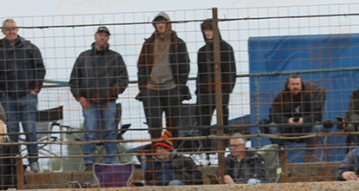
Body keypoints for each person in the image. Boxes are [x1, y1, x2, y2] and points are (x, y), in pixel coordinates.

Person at [69, 26, 129, 169]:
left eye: (105, 35)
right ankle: (89, 161)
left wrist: (111, 94)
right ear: (95, 36)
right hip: (89, 101)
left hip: (108, 101)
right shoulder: (83, 57)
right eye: (100, 34)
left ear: (108, 38)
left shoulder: (115, 57)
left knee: (110, 130)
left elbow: (123, 79)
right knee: (90, 130)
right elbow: (74, 80)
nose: (102, 37)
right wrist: (80, 97)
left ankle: (111, 160)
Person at [0, 19, 46, 172]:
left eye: (13, 28)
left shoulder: (30, 48)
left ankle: (34, 163)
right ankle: (14, 164)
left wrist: (35, 88)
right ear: (2, 31)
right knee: (12, 131)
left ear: (18, 29)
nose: (11, 31)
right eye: (7, 29)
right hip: (7, 97)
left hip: (27, 96)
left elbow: (40, 69)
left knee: (30, 130)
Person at [137, 12, 190, 141]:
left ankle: (173, 152)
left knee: (173, 126)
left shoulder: (178, 43)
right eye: (157, 23)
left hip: (172, 88)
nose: (160, 25)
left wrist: (179, 86)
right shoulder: (148, 43)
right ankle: (156, 154)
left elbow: (185, 65)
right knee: (154, 126)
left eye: (162, 22)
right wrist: (143, 88)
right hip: (151, 90)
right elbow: (141, 66)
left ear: (168, 24)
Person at [196, 18, 237, 136]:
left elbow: (231, 71)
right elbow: (200, 73)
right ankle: (206, 151)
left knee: (223, 125)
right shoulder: (202, 51)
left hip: (221, 90)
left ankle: (222, 151)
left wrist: (227, 89)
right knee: (203, 124)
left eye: (210, 29)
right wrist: (198, 90)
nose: (207, 33)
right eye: (205, 30)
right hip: (204, 92)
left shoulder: (226, 48)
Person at [267, 74, 326, 143]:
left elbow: (317, 115)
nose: (295, 87)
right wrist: (287, 121)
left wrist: (303, 120)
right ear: (288, 85)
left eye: (298, 84)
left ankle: (310, 152)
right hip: (288, 129)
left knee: (318, 126)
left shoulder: (310, 95)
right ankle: (281, 151)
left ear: (301, 85)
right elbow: (273, 115)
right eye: (293, 84)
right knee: (273, 126)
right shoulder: (281, 96)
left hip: (306, 128)